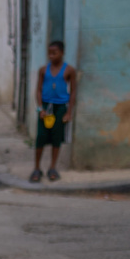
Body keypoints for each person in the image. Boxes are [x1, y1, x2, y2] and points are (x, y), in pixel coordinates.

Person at [31, 41, 76, 182]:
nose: (51, 56)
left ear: (62, 53)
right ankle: (37, 168)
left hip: (60, 108)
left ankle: (52, 168)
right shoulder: (43, 70)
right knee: (41, 137)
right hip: (46, 107)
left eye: (54, 53)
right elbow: (38, 90)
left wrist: (69, 112)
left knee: (57, 138)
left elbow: (73, 92)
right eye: (49, 53)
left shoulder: (69, 70)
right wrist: (40, 108)